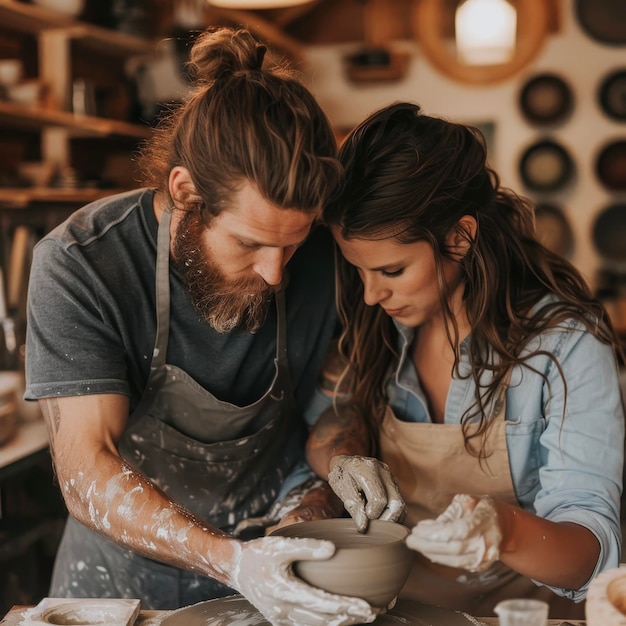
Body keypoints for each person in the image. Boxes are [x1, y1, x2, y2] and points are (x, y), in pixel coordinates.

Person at [24, 26, 381, 626]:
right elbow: (87, 465)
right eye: (248, 243)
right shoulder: (82, 263)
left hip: (282, 564)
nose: (274, 274)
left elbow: (331, 410)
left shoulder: (324, 259)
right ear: (185, 190)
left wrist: (342, 461)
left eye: (290, 246)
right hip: (123, 585)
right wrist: (231, 561)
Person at [305, 101, 625, 619]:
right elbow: (332, 412)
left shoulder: (565, 345)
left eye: (391, 270)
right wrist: (343, 456)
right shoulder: (375, 322)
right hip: (401, 607)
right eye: (359, 270)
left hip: (525, 611)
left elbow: (591, 556)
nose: (369, 295)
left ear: (459, 237)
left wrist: (505, 528)